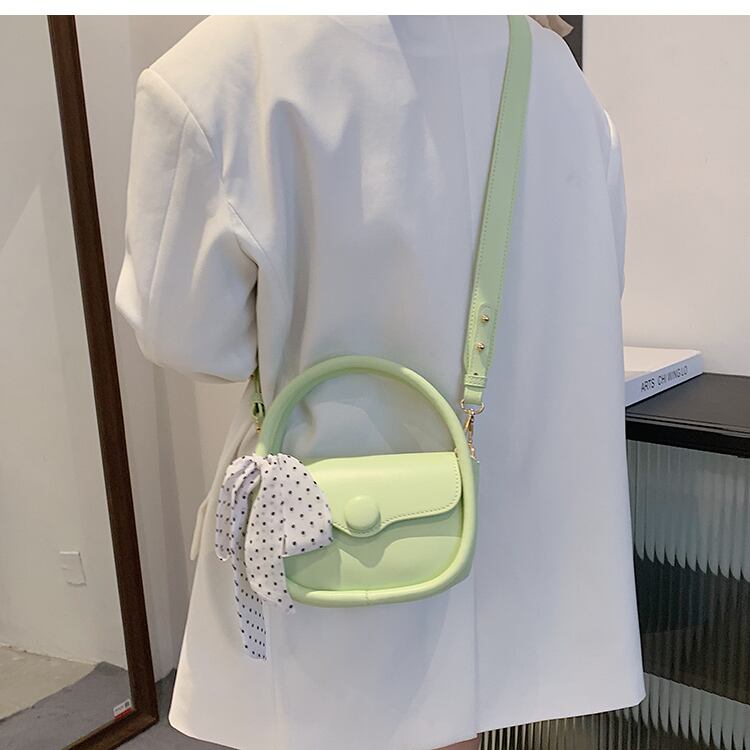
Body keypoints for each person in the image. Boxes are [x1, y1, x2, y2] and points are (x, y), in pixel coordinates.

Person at [115, 15, 644, 750]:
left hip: (333, 539)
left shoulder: (220, 70)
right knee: (460, 721)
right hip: (517, 549)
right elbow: (593, 293)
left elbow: (189, 339)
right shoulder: (558, 77)